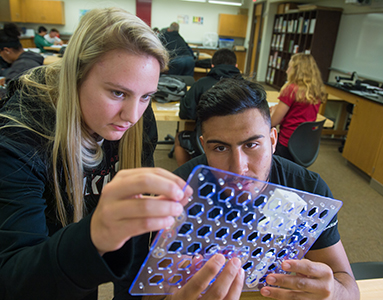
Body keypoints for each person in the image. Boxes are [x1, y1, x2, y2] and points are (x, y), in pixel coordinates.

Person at [0, 8, 243, 300]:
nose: (132, 116)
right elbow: (14, 278)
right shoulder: (20, 138)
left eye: (146, 96)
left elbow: (137, 234)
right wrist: (93, 236)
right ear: (75, 77)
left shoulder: (138, 117)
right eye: (117, 93)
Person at [174, 78, 360, 300]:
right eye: (220, 148)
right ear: (204, 147)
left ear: (273, 140)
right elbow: (151, 293)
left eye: (251, 145)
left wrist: (334, 292)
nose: (239, 168)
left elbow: (348, 287)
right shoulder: (180, 191)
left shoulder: (308, 189)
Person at [175, 48, 242, 166]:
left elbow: (185, 113)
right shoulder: (246, 87)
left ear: (212, 65)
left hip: (207, 141)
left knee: (179, 138)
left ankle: (187, 177)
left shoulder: (200, 84)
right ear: (236, 66)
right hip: (239, 143)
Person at [270, 53, 327, 162]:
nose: (287, 71)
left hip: (287, 145)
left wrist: (273, 111)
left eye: (289, 67)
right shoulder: (315, 90)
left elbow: (273, 122)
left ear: (296, 70)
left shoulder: (291, 90)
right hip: (306, 145)